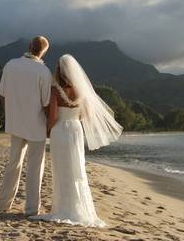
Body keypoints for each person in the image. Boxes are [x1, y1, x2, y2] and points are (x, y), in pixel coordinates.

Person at [30, 54, 123, 227]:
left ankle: (63, 207)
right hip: (76, 129)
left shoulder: (55, 90)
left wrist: (48, 130)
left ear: (59, 70)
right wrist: (74, 117)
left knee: (61, 169)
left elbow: (52, 116)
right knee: (76, 167)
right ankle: (78, 208)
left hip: (60, 130)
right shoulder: (82, 90)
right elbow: (86, 114)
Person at [0, 36, 52, 216]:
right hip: (36, 126)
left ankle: (3, 204)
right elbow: (46, 104)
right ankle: (31, 209)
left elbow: (2, 95)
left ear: (29, 46)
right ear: (44, 52)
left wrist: (10, 114)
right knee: (35, 167)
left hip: (16, 123)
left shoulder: (10, 65)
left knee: (14, 163)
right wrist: (50, 127)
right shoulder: (44, 72)